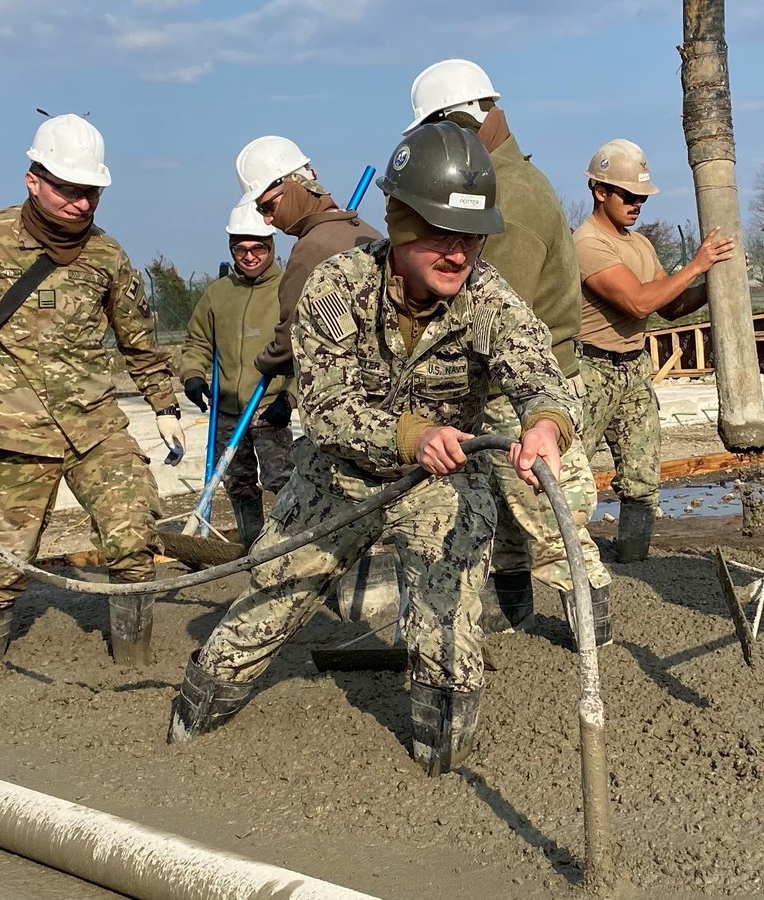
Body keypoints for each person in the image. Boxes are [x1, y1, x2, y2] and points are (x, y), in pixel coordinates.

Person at [169, 122, 581, 776]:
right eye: (442, 234)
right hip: (338, 481)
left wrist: (546, 425)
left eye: (472, 236)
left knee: (448, 636)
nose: (459, 253)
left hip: (443, 486)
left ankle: (441, 766)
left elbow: (540, 374)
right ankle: (187, 733)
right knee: (264, 611)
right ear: (402, 223)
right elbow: (327, 409)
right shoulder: (336, 287)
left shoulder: (488, 297)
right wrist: (412, 436)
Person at [0, 114, 184, 667]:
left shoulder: (107, 255)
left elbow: (138, 339)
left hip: (96, 429)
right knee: (3, 566)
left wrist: (163, 404)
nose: (81, 203)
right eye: (68, 189)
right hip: (17, 433)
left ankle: (133, 666)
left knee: (133, 543)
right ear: (34, 180)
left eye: (91, 192)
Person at [403, 58, 612, 643]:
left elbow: (497, 313)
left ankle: (593, 633)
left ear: (461, 122)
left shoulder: (508, 193)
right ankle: (514, 615)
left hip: (517, 388)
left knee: (549, 519)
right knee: (509, 516)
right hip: (513, 385)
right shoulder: (504, 179)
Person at [574, 138, 734, 562]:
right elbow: (638, 302)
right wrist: (696, 264)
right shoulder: (588, 243)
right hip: (591, 371)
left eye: (642, 197)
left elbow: (670, 306)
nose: (637, 204)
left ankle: (635, 562)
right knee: (569, 474)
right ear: (600, 192)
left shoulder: (640, 244)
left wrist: (715, 280)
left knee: (642, 478)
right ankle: (556, 559)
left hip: (633, 368)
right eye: (628, 195)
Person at [180, 203, 294, 549]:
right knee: (237, 482)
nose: (249, 256)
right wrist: (193, 375)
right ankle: (252, 546)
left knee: (282, 480)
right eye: (240, 249)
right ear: (231, 250)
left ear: (271, 247)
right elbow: (198, 341)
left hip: (269, 406)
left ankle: (291, 545)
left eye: (258, 248)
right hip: (227, 408)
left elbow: (306, 352)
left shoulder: (287, 289)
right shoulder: (218, 293)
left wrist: (290, 397)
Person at [234, 135, 381, 385]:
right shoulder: (369, 232)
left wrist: (264, 362)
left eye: (268, 207)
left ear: (295, 183)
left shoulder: (309, 251)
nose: (267, 220)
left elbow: (289, 341)